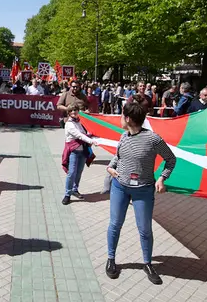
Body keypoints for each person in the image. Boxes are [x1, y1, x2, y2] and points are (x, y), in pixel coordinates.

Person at [105, 94, 176, 284]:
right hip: (120, 186)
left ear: (128, 119)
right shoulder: (124, 136)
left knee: (144, 230)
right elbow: (119, 156)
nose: (120, 118)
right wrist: (111, 167)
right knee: (115, 224)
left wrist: (162, 178)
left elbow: (171, 160)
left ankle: (147, 263)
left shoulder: (153, 139)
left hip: (143, 190)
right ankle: (111, 259)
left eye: (121, 116)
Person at [62, 104, 99, 205]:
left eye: (76, 110)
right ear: (69, 112)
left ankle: (75, 189)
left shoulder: (79, 122)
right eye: (72, 111)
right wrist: (91, 140)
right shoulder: (69, 124)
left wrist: (92, 135)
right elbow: (79, 135)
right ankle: (67, 194)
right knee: (71, 173)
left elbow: (84, 133)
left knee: (79, 172)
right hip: (73, 151)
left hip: (82, 151)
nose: (74, 112)